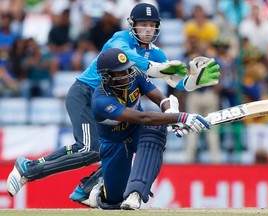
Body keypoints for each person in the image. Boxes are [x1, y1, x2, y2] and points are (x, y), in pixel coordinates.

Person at [6, 3, 220, 207]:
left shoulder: (156, 52)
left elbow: (173, 80)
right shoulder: (119, 40)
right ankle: (29, 171)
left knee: (118, 145)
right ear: (132, 25)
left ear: (158, 27)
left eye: (151, 25)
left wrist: (192, 82)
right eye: (142, 24)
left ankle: (83, 187)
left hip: (120, 99)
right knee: (91, 149)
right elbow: (131, 58)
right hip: (87, 95)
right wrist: (174, 107)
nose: (147, 29)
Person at [90, 47, 210, 210]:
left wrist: (170, 112)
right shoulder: (100, 100)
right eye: (120, 72)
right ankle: (100, 186)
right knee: (113, 201)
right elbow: (143, 117)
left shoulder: (135, 74)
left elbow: (160, 99)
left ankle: (136, 192)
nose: (127, 73)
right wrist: (181, 117)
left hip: (137, 130)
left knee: (156, 129)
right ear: (107, 76)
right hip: (114, 143)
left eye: (127, 68)